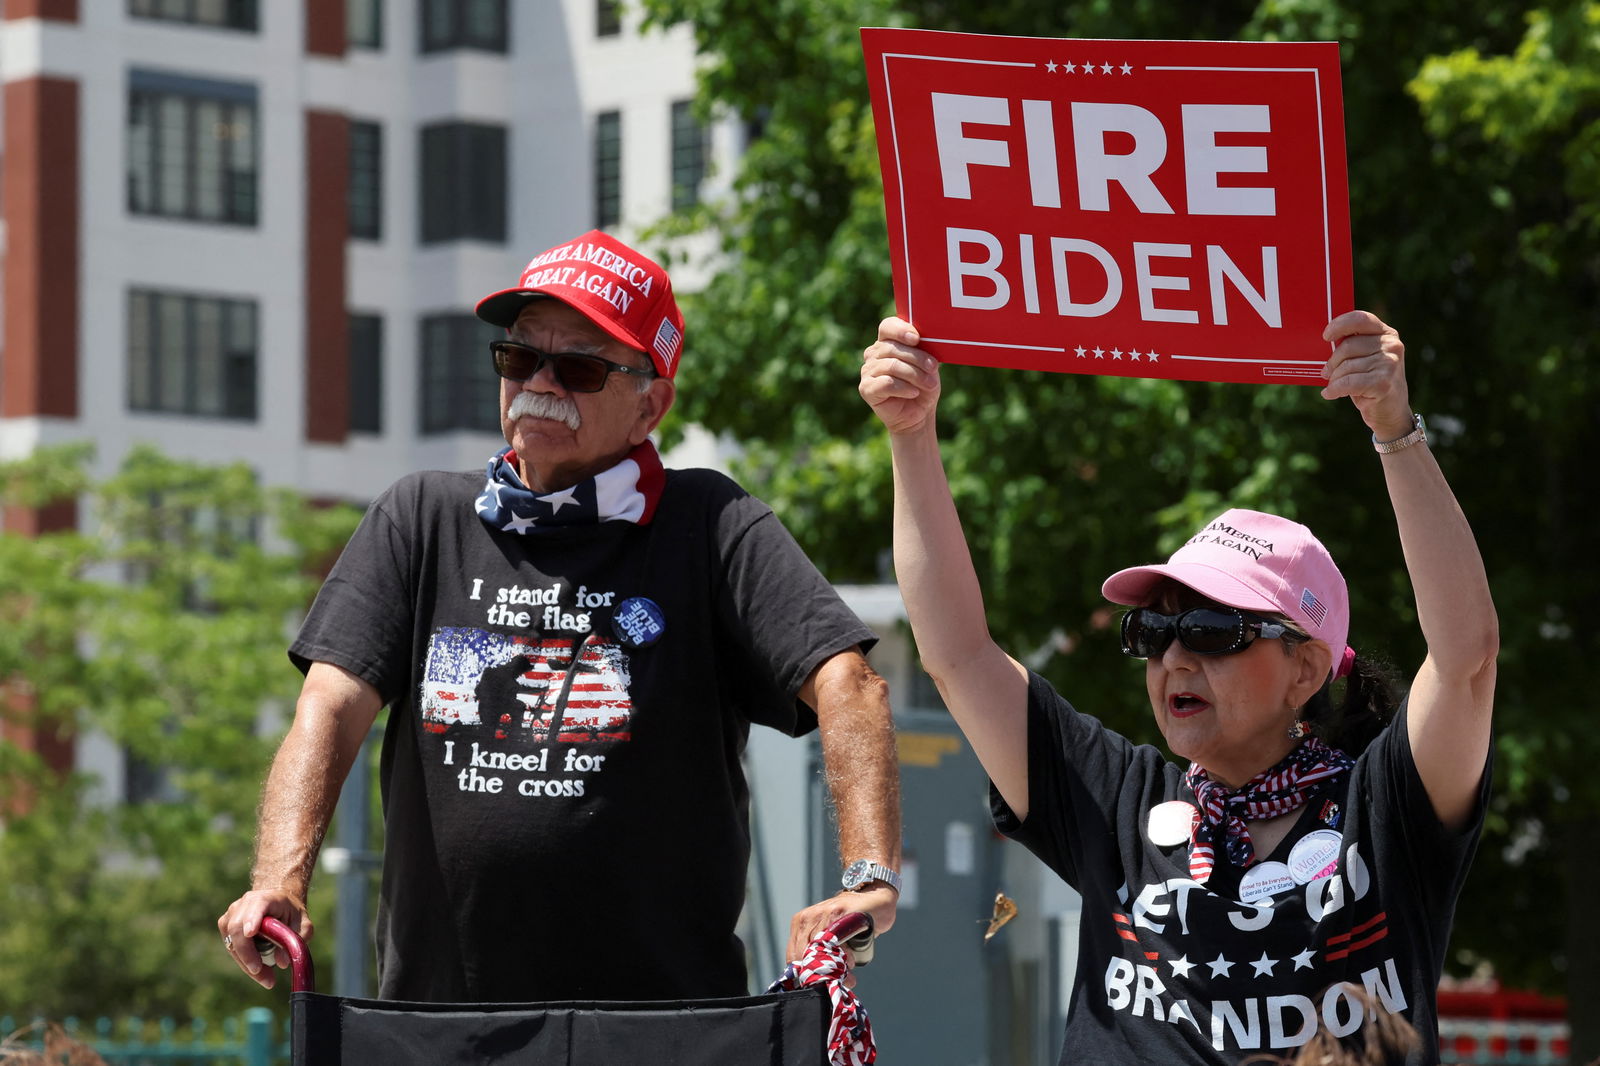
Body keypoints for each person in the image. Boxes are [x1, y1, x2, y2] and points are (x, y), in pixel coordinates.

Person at [218, 230, 901, 1002]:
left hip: (661, 1031)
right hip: (442, 1027)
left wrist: (870, 879)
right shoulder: (421, 517)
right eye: (519, 358)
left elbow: (851, 685)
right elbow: (330, 704)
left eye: (577, 366)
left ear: (651, 404)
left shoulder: (709, 523)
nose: (540, 383)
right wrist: (280, 880)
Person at [859, 310, 1494, 1064]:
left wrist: (1394, 429)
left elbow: (1466, 660)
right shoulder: (1117, 798)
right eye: (1152, 635)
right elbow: (957, 653)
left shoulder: (1383, 811)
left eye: (1213, 632)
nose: (1174, 661)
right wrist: (910, 434)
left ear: (1306, 670)